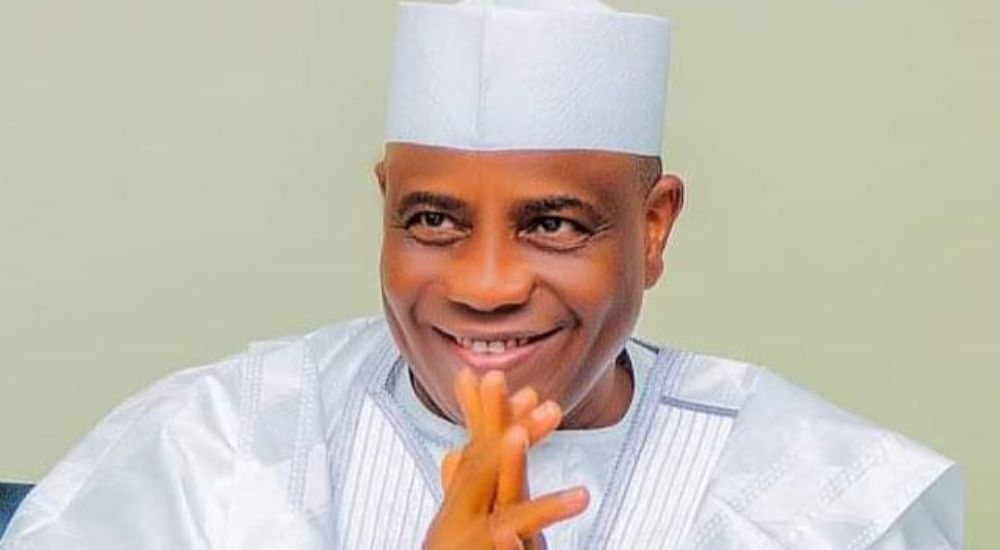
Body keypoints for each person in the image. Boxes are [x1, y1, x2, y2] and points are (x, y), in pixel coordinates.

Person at [0, 0, 963, 548]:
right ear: (383, 207)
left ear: (653, 227)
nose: (487, 284)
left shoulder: (827, 498)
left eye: (553, 224)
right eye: (433, 221)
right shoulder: (212, 452)